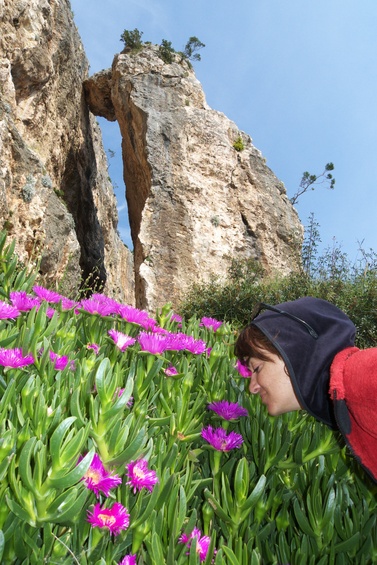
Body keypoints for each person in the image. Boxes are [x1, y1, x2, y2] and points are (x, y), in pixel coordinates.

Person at [235, 296, 377, 483]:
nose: (252, 387)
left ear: (292, 349)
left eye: (257, 368)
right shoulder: (344, 399)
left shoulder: (363, 374)